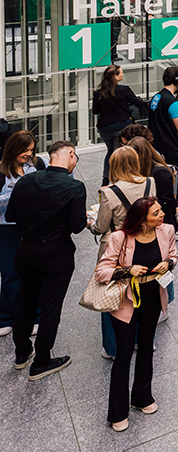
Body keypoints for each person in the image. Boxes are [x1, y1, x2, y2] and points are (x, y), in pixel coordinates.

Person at [5, 140, 87, 379]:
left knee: (26, 301)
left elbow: (10, 215)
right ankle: (41, 361)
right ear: (70, 154)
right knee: (50, 307)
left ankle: (22, 353)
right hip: (56, 253)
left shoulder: (26, 181)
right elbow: (77, 226)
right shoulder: (74, 187)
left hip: (25, 250)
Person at [96, 197, 176, 431]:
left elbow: (173, 254)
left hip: (153, 298)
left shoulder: (166, 231)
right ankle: (118, 412)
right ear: (142, 220)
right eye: (156, 213)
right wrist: (126, 271)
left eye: (161, 211)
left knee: (146, 347)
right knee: (123, 354)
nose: (162, 215)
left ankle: (142, 397)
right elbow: (102, 271)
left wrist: (169, 263)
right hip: (125, 302)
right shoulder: (119, 237)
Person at [0, 132, 41, 338]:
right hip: (7, 228)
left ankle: (36, 315)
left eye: (31, 150)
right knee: (9, 274)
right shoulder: (1, 172)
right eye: (25, 150)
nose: (29, 154)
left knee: (35, 273)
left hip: (32, 227)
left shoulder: (36, 166)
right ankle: (7, 316)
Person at [92, 64, 146, 187]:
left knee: (111, 151)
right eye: (121, 73)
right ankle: (119, 181)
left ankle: (106, 179)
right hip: (121, 127)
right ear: (115, 77)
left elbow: (95, 111)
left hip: (104, 128)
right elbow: (138, 103)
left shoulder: (98, 93)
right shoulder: (124, 90)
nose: (122, 74)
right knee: (121, 153)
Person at [148, 66, 178, 167]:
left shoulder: (156, 96)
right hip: (171, 150)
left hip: (157, 145)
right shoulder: (173, 103)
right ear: (177, 81)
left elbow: (163, 120)